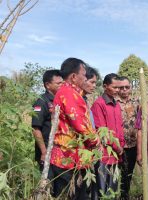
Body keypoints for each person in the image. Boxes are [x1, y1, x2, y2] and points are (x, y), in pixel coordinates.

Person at [49, 58, 97, 199]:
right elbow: (82, 128)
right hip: (69, 158)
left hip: (68, 158)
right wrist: (97, 143)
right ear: (74, 77)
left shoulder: (66, 92)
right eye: (83, 74)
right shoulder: (70, 94)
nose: (85, 77)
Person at [91, 73, 125, 198]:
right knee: (102, 189)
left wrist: (120, 146)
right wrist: (117, 147)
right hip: (104, 155)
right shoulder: (99, 104)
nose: (117, 90)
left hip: (115, 154)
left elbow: (119, 128)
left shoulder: (116, 104)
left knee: (112, 188)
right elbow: (102, 131)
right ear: (105, 86)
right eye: (114, 87)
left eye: (119, 88)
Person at [32, 70, 63, 171]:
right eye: (58, 83)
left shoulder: (59, 100)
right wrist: (44, 152)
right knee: (47, 184)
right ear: (48, 85)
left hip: (59, 152)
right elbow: (35, 129)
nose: (61, 85)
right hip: (47, 152)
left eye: (62, 82)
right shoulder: (41, 102)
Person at [117, 76, 139, 200]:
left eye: (127, 87)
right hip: (118, 146)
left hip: (133, 145)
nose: (124, 90)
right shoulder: (114, 102)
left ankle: (125, 195)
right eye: (121, 88)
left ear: (130, 88)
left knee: (128, 174)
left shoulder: (136, 102)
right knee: (116, 174)